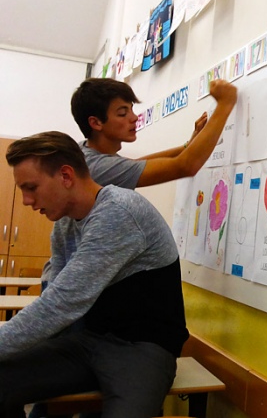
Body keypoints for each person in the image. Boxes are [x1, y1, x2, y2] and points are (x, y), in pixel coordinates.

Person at [0, 132, 189, 417]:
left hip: (143, 348)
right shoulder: (64, 224)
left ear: (66, 176)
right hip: (90, 341)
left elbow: (63, 303)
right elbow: (55, 296)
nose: (26, 200)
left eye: (31, 188)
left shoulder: (119, 212)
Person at [70, 77, 238, 189]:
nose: (134, 118)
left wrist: (188, 146)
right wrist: (225, 104)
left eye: (131, 110)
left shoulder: (85, 152)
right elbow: (185, 166)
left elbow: (134, 164)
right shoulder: (95, 167)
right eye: (122, 113)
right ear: (96, 123)